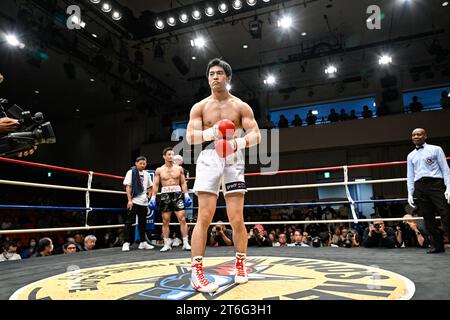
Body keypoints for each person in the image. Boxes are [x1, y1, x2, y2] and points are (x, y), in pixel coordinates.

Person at [186, 58, 261, 293]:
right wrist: (212, 131)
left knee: (236, 218)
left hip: (233, 157)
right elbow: (190, 137)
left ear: (228, 77)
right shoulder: (199, 107)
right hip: (209, 157)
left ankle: (241, 264)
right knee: (204, 217)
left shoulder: (240, 106)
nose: (214, 77)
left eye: (219, 73)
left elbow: (256, 134)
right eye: (211, 74)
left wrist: (236, 144)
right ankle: (196, 272)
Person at [407, 128, 450, 253]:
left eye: (419, 134)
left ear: (425, 136)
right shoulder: (411, 155)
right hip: (420, 186)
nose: (416, 136)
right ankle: (438, 246)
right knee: (428, 217)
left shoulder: (436, 149)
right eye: (413, 134)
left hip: (435, 183)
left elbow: (445, 170)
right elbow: (410, 175)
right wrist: (410, 192)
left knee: (446, 213)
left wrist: (448, 187)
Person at [149, 147, 192, 252]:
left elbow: (183, 182)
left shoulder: (179, 169)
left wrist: (186, 194)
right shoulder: (159, 170)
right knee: (165, 220)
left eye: (172, 154)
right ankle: (166, 243)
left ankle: (185, 243)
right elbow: (156, 184)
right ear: (164, 156)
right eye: (169, 154)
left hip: (177, 194)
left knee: (182, 219)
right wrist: (153, 197)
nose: (171, 156)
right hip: (165, 195)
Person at [122, 156, 154, 252]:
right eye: (141, 163)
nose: (142, 165)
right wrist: (129, 200)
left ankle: (143, 242)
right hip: (134, 200)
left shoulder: (147, 174)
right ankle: (126, 243)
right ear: (136, 163)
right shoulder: (131, 172)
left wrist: (149, 194)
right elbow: (128, 187)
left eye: (144, 164)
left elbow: (151, 186)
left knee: (142, 223)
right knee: (129, 222)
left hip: (144, 202)